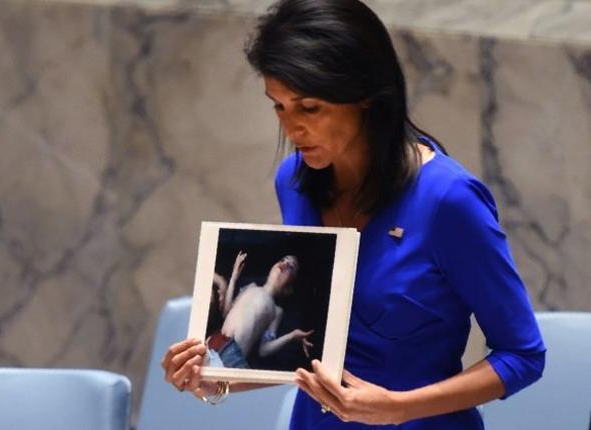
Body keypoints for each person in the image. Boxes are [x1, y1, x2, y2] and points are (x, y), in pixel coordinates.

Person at [161, 0, 545, 428]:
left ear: (364, 96)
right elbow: (318, 352)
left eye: (309, 108)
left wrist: (398, 408)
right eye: (278, 106)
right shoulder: (293, 181)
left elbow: (523, 355)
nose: (291, 129)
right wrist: (214, 378)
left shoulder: (449, 200)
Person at [205, 252, 313, 369]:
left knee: (221, 386)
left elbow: (263, 350)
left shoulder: (276, 311)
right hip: (215, 340)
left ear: (288, 289)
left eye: (291, 267)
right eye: (283, 260)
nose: (284, 264)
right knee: (197, 379)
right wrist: (233, 278)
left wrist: (291, 336)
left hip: (233, 355)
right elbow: (226, 313)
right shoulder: (250, 287)